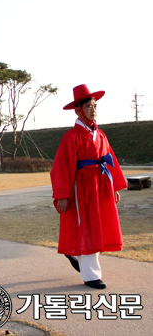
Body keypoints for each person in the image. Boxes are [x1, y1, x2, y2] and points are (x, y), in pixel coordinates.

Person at [50, 84, 126, 290]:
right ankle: (91, 275)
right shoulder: (71, 137)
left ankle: (76, 254)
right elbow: (60, 167)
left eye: (95, 105)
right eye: (88, 106)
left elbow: (110, 160)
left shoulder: (101, 135)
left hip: (99, 186)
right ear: (78, 110)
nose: (93, 109)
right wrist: (62, 194)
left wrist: (114, 187)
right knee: (86, 227)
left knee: (98, 226)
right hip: (81, 188)